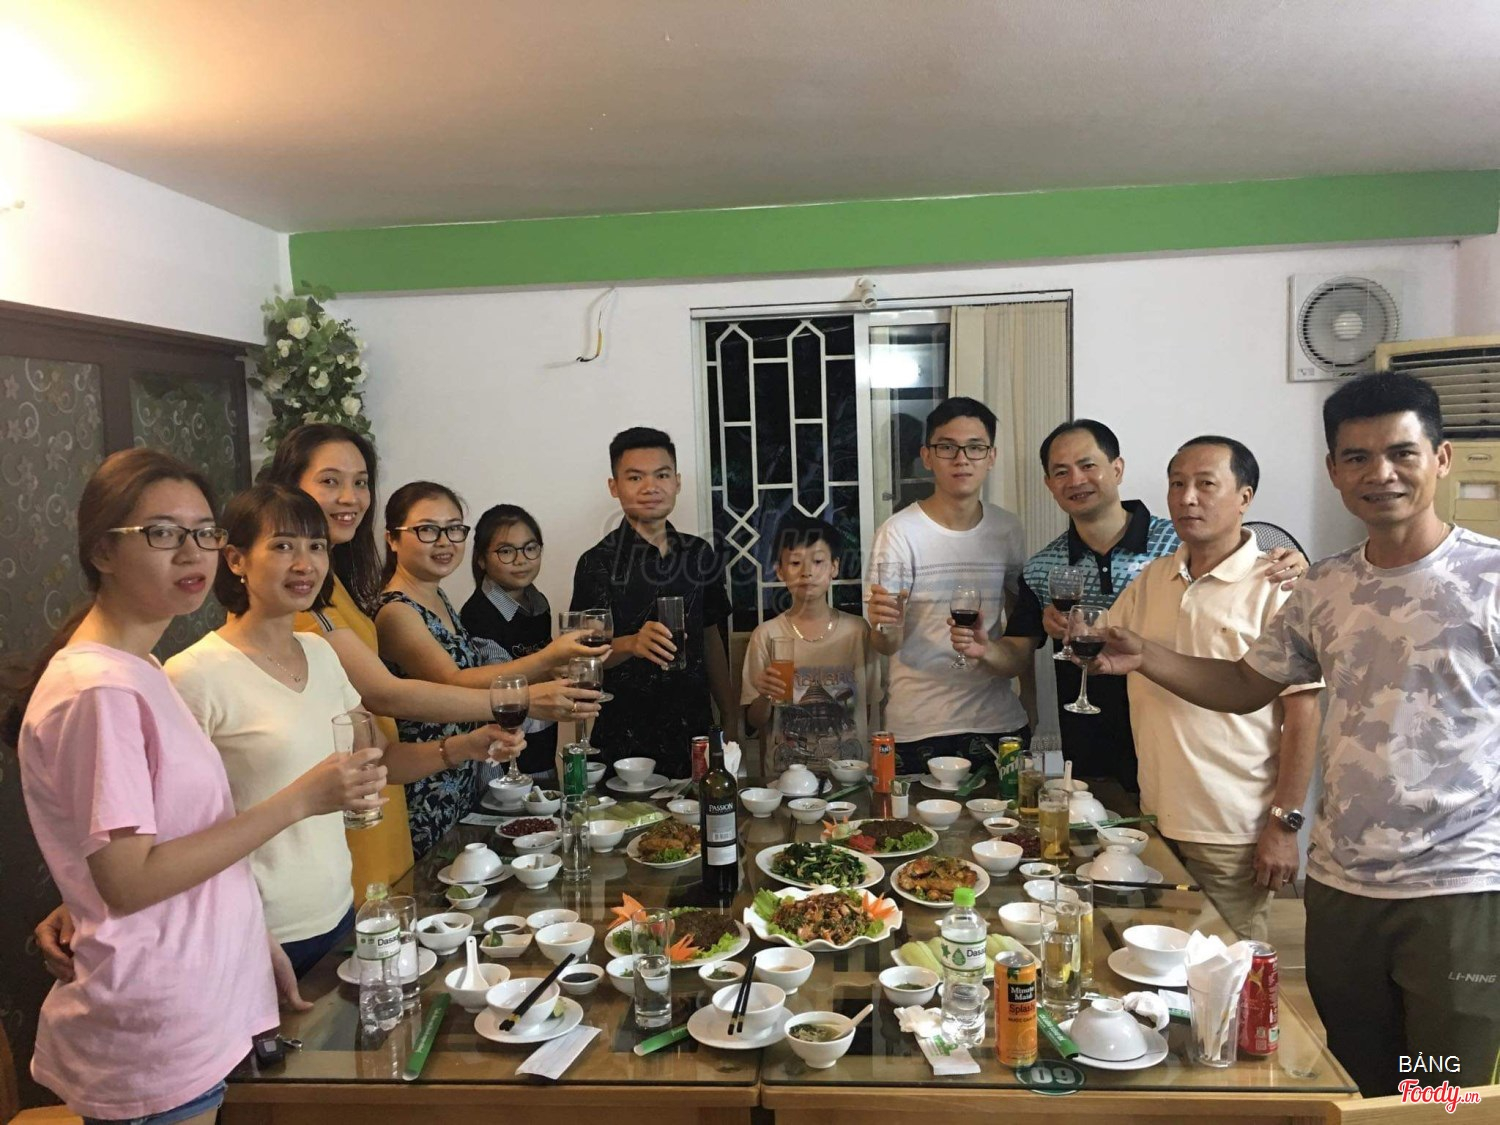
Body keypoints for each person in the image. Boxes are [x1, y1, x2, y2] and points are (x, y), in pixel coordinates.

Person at [1091, 373, 1499, 1097]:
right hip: (1341, 883)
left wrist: (1278, 820)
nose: (1380, 473)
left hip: (1460, 884)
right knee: (1359, 1076)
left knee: (1442, 1090)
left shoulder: (1490, 576)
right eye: (1357, 457)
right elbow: (1245, 685)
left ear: (1440, 458)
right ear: (1334, 470)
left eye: (1401, 453)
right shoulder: (1322, 587)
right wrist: (1145, 655)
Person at [6, 448, 384, 1123]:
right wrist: (300, 799)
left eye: (203, 532)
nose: (192, 552)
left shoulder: (140, 668)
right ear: (102, 551)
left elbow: (174, 841)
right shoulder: (99, 690)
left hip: (203, 1000)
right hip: (157, 1026)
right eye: (161, 533)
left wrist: (248, 937)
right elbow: (129, 881)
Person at [164, 484, 520, 975]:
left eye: (316, 547)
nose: (304, 564)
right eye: (282, 546)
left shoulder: (321, 654)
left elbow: (380, 759)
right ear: (236, 559)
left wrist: (464, 746)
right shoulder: (194, 675)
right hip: (254, 933)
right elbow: (175, 837)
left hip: (339, 914)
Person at [258, 424, 596, 883]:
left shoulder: (336, 588)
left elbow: (379, 739)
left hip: (402, 781)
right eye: (330, 481)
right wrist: (523, 695)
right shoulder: (331, 606)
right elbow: (391, 693)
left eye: (360, 482)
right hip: (375, 805)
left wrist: (467, 743)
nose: (350, 497)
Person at [953, 419, 1303, 790]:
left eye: (1088, 465)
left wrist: (1295, 563)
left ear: (1117, 469)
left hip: (1193, 750)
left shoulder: (1179, 542)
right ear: (1049, 484)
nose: (1076, 480)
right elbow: (1017, 653)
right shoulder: (1043, 567)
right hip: (1091, 750)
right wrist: (987, 649)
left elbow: (1241, 564)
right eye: (1061, 472)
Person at [1108, 436, 1321, 941]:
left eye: (1206, 484)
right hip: (1155, 816)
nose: (1187, 498)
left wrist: (1284, 826)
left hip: (1233, 829)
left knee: (1229, 970)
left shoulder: (1278, 585)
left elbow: (1304, 716)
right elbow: (1105, 640)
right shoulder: (1153, 578)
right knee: (1159, 963)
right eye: (1177, 484)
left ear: (1244, 498)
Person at [375, 481, 603, 854]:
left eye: (453, 529)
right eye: (428, 530)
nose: (444, 541)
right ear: (393, 539)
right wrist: (549, 659)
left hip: (461, 774)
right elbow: (453, 682)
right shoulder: (396, 611)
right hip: (427, 786)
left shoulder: (436, 598)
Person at [866, 397, 1029, 774]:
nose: (962, 459)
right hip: (919, 726)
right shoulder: (898, 533)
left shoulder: (1007, 529)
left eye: (975, 447)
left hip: (999, 723)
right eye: (947, 447)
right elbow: (884, 644)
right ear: (927, 456)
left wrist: (1032, 708)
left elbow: (1023, 632)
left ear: (991, 456)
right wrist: (885, 625)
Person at [570, 427, 736, 778]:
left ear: (677, 482)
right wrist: (631, 643)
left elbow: (711, 638)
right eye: (635, 477)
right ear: (614, 486)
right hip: (623, 737)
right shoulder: (596, 563)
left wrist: (730, 714)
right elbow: (582, 659)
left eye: (661, 475)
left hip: (694, 731)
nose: (650, 487)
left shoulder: (699, 554)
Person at [741, 515, 874, 774]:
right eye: (795, 562)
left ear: (834, 567)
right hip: (786, 779)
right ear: (780, 571)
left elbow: (868, 709)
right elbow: (754, 722)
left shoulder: (858, 632)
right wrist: (765, 694)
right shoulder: (766, 635)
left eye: (818, 561)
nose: (807, 572)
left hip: (850, 777)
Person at [460, 504, 558, 776]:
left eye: (530, 548)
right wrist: (551, 663)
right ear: (481, 559)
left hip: (542, 743)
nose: (521, 559)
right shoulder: (478, 614)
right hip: (501, 756)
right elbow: (498, 684)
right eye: (506, 551)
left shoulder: (538, 603)